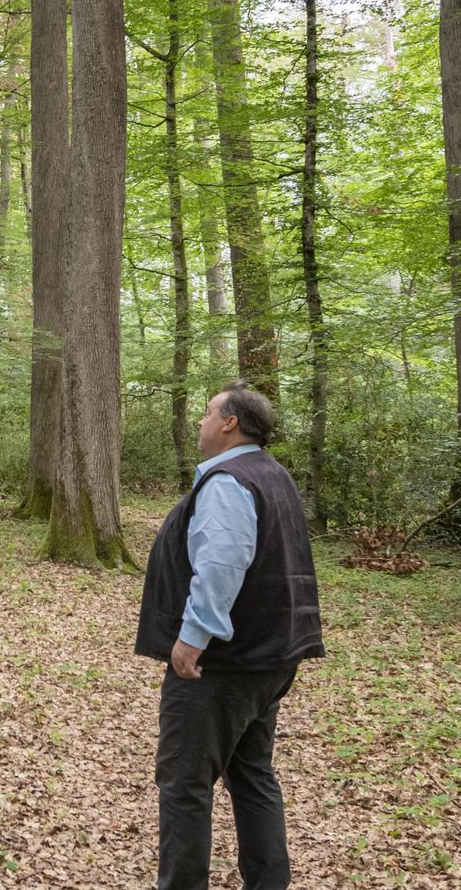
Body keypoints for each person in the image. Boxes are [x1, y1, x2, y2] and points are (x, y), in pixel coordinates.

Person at [135, 381, 325, 890]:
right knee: (252, 775)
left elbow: (222, 565)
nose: (200, 421)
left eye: (207, 412)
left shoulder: (228, 481)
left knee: (184, 783)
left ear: (229, 423)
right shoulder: (273, 474)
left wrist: (193, 636)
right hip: (269, 657)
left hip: (222, 664)